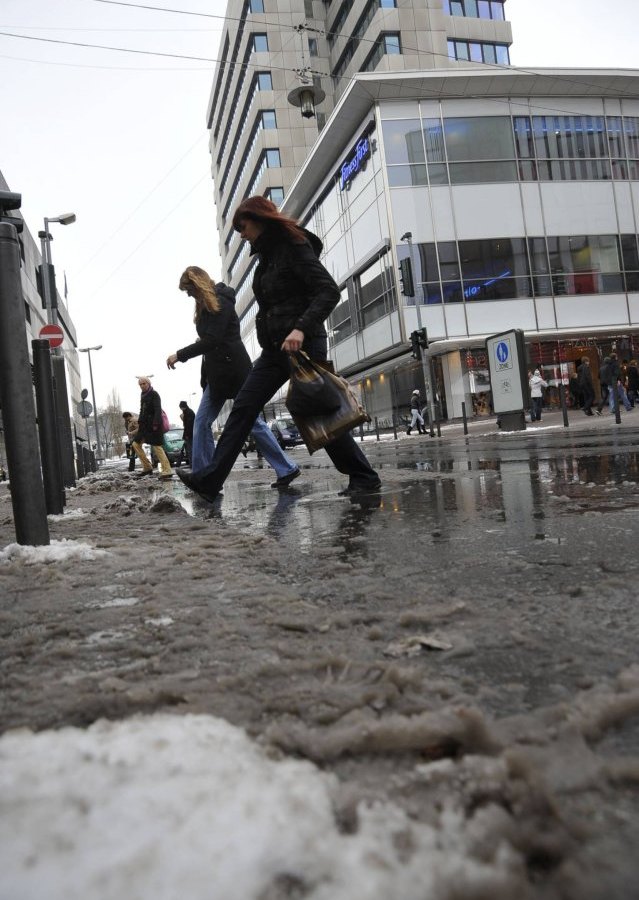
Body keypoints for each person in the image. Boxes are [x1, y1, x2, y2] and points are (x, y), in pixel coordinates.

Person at [177, 196, 381, 502]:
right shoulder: (266, 256)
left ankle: (364, 476)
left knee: (317, 410)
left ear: (259, 219)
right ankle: (209, 479)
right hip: (274, 350)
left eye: (243, 227)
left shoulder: (293, 246)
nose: (242, 234)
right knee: (244, 408)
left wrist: (301, 327)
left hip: (303, 344)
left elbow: (328, 291)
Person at [166, 266, 299, 487]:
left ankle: (286, 468)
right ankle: (204, 477)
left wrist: (180, 355)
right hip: (216, 377)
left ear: (198, 285)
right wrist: (204, 377)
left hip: (236, 372)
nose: (189, 296)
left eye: (189, 291)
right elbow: (208, 345)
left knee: (253, 423)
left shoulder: (223, 300)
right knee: (201, 423)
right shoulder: (204, 307)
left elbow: (213, 340)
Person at [131, 376, 173, 480]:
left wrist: (156, 424)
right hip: (144, 426)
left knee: (157, 447)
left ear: (148, 383)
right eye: (140, 384)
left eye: (144, 383)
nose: (142, 386)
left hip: (154, 426)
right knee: (135, 444)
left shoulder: (154, 394)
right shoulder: (143, 395)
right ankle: (147, 467)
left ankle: (167, 470)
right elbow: (142, 410)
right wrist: (140, 421)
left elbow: (158, 410)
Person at [178, 400, 195, 466]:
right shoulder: (188, 412)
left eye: (181, 407)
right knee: (189, 450)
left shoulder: (188, 413)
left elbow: (189, 425)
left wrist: (187, 435)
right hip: (189, 434)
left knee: (190, 450)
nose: (181, 409)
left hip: (190, 435)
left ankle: (192, 464)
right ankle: (192, 463)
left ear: (183, 407)